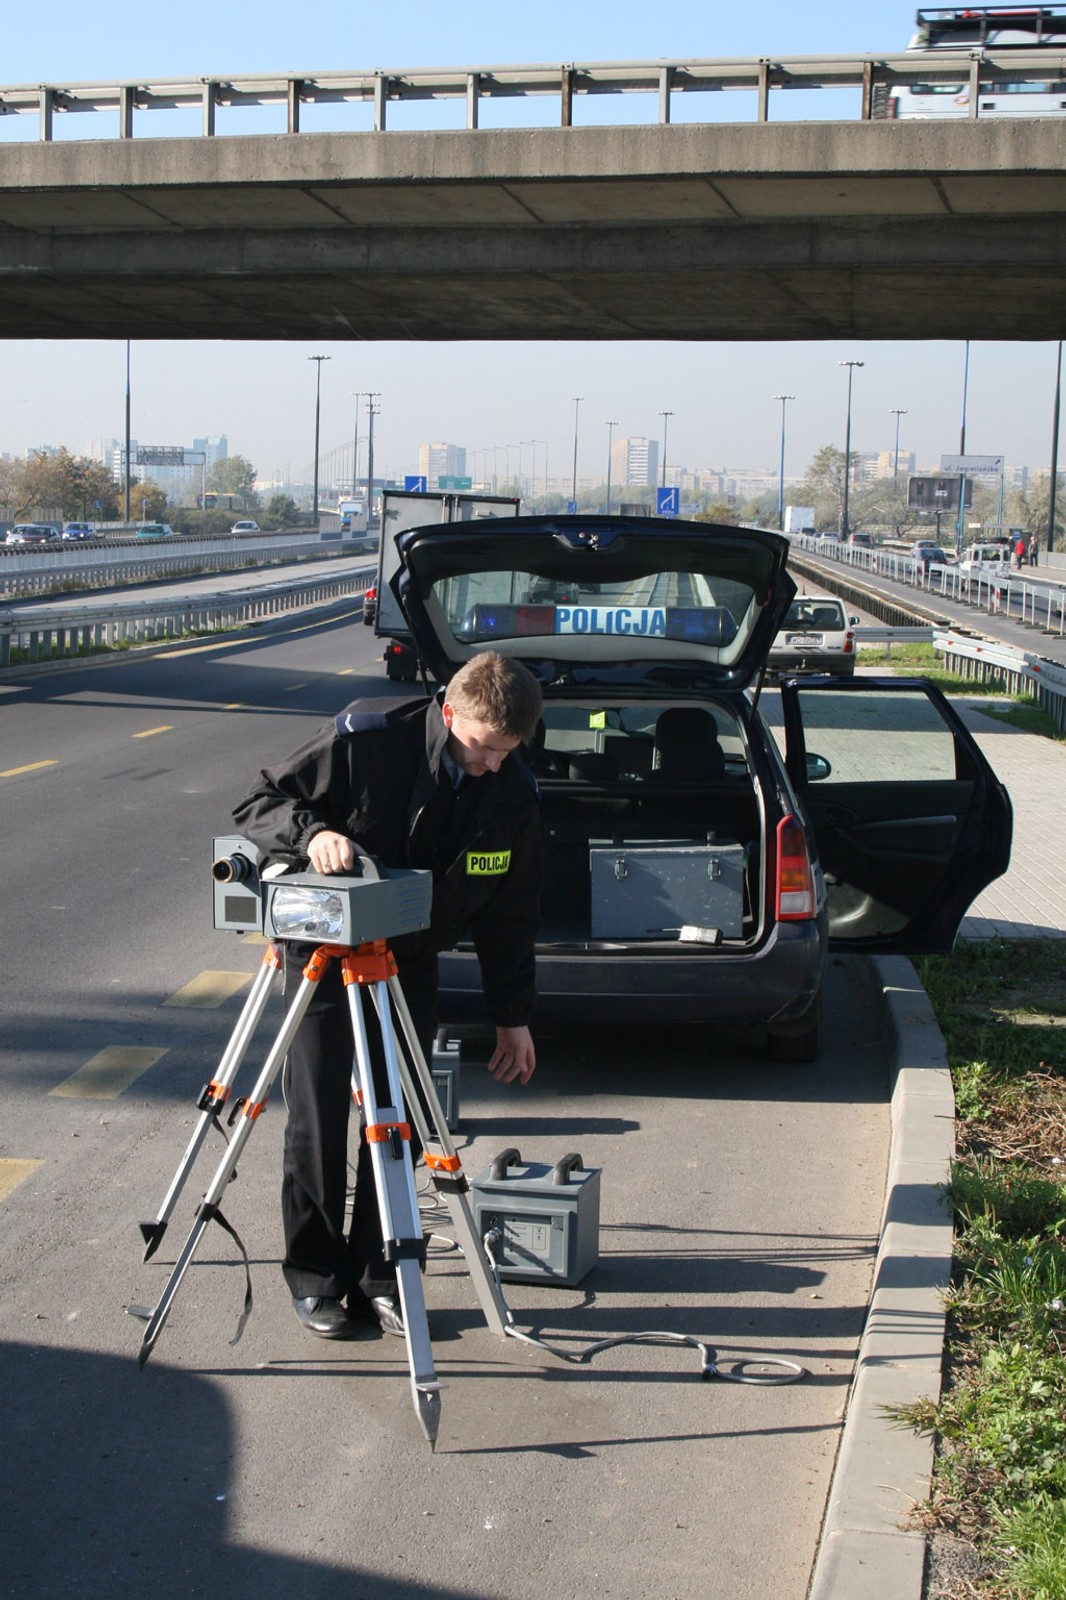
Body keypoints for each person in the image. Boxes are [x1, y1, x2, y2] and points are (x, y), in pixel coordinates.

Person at [232, 652, 544, 1340]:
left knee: (395, 1125)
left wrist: (511, 1017)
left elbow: (509, 914)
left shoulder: (513, 791)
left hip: (407, 962)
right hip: (320, 957)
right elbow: (259, 803)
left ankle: (384, 1275)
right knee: (317, 1121)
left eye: (506, 752)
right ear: (451, 710)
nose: (490, 763)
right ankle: (316, 1278)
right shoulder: (367, 739)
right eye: (483, 747)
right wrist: (315, 836)